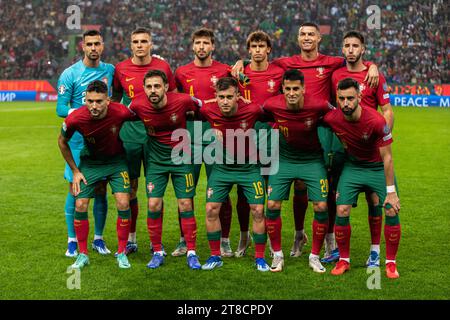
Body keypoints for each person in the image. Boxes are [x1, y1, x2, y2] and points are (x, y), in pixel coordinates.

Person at [233, 23, 380, 259]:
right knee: (286, 184)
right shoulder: (285, 63)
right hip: (290, 129)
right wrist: (241, 61)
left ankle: (329, 238)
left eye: (311, 34)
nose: (307, 37)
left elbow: (355, 62)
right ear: (298, 39)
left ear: (319, 38)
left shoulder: (332, 62)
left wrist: (373, 66)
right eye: (302, 34)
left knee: (327, 186)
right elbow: (257, 61)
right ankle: (299, 234)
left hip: (323, 129)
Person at [323, 78, 401, 279]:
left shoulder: (376, 121)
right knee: (341, 208)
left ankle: (391, 263)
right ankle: (344, 260)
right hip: (354, 167)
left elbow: (388, 157)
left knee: (391, 209)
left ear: (359, 97)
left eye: (350, 98)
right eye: (342, 99)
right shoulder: (333, 118)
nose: (346, 103)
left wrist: (391, 192)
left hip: (376, 168)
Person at [330, 30, 394, 267]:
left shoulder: (373, 74)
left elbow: (387, 110)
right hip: (346, 148)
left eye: (355, 46)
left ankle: (375, 250)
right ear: (342, 49)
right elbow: (331, 108)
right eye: (346, 45)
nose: (350, 50)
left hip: (372, 147)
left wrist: (383, 138)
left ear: (363, 49)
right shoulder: (335, 75)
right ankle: (335, 248)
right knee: (335, 199)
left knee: (375, 200)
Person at [58, 80, 136, 269]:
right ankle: (83, 254)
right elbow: (62, 142)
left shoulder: (121, 111)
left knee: (124, 202)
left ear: (108, 100)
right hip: (90, 163)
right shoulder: (75, 118)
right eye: (90, 101)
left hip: (117, 162)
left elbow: (143, 115)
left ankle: (121, 252)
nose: (94, 105)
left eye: (99, 101)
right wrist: (75, 171)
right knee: (81, 203)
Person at [112, 27, 176, 255]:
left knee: (155, 191)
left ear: (151, 44)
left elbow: (174, 99)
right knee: (131, 188)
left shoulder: (163, 68)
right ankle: (131, 238)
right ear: (131, 45)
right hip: (129, 136)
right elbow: (116, 99)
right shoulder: (120, 68)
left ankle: (154, 241)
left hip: (155, 136)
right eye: (135, 41)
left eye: (144, 41)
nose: (140, 45)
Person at [129, 69, 201, 270]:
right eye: (149, 87)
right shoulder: (137, 105)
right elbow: (121, 115)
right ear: (144, 88)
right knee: (153, 205)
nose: (153, 90)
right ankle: (158, 251)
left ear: (166, 87)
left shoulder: (183, 100)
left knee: (186, 204)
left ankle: (192, 252)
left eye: (157, 86)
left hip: (182, 159)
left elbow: (203, 108)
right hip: (156, 162)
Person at [199, 77, 270, 272]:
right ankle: (215, 255)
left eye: (230, 97)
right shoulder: (207, 110)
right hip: (222, 168)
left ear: (238, 96)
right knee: (211, 209)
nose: (225, 101)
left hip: (249, 168)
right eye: (221, 97)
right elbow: (195, 105)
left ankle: (260, 258)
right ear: (215, 97)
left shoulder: (253, 110)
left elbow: (271, 114)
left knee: (257, 210)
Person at [262, 69, 330, 273]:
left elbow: (338, 117)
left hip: (312, 160)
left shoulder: (319, 105)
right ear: (282, 89)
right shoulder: (272, 104)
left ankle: (315, 256)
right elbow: (254, 114)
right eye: (288, 89)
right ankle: (277, 254)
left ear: (304, 89)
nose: (291, 93)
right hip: (284, 160)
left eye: (296, 89)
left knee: (320, 205)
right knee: (272, 203)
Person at [174, 27, 234, 258]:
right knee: (184, 191)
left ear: (213, 46)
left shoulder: (224, 70)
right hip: (187, 135)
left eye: (206, 43)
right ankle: (183, 240)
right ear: (192, 46)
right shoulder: (181, 72)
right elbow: (175, 101)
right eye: (198, 42)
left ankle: (225, 240)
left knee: (221, 190)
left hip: (215, 134)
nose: (201, 47)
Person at [56, 29, 114, 257]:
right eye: (89, 44)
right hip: (78, 143)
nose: (93, 48)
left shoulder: (110, 70)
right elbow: (61, 108)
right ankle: (72, 240)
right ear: (82, 46)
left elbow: (117, 98)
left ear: (102, 46)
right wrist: (86, 113)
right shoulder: (70, 74)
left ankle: (98, 239)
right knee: (75, 190)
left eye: (97, 44)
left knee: (100, 190)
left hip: (103, 142)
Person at [236, 30, 284, 258]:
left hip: (271, 135)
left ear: (268, 50)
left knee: (269, 191)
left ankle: (270, 239)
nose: (257, 50)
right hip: (244, 136)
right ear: (248, 50)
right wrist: (239, 63)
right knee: (243, 190)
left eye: (261, 46)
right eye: (253, 47)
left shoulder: (279, 73)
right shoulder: (239, 72)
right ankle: (244, 235)